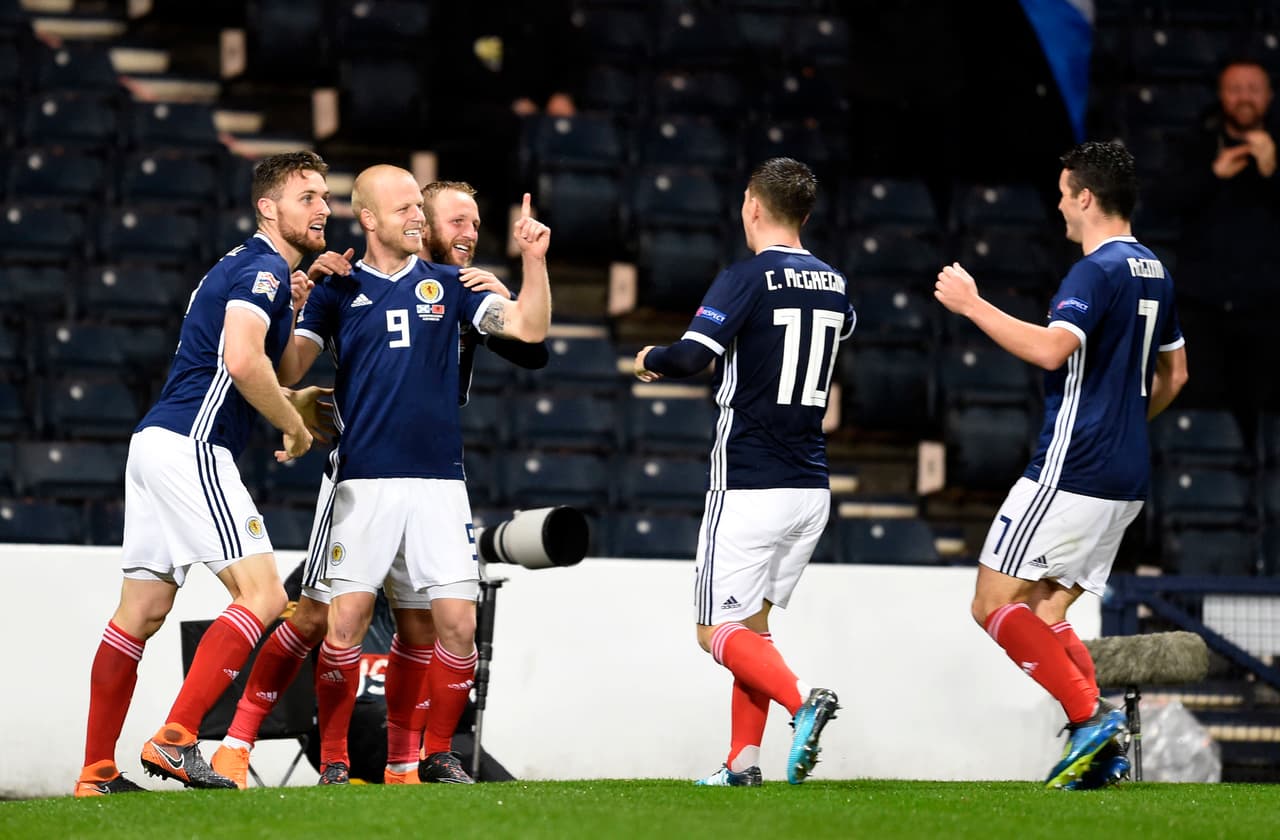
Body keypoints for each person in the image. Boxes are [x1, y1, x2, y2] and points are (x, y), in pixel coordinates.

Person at [210, 179, 546, 788]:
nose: (424, 220)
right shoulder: (338, 284)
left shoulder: (453, 286)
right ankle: (266, 745)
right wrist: (298, 298)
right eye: (412, 208)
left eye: (426, 210)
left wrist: (530, 263)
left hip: (437, 479)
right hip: (359, 475)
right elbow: (286, 369)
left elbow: (529, 335)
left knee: (432, 627)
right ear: (367, 217)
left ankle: (412, 761)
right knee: (322, 621)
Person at [75, 150, 332, 796]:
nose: (323, 207)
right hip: (193, 444)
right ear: (268, 208)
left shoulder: (255, 270)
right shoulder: (265, 267)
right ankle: (177, 738)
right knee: (266, 595)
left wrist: (297, 311)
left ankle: (96, 772)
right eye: (308, 197)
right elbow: (245, 364)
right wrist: (295, 426)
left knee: (143, 608)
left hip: (155, 443)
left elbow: (277, 368)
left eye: (326, 196)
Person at [933, 140, 1188, 789]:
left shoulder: (1096, 271)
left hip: (1074, 468)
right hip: (1126, 474)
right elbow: (1176, 374)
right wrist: (1128, 425)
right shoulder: (1155, 269)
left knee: (991, 602)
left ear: (1087, 197)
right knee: (1046, 611)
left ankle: (1090, 719)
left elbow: (1052, 351)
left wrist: (971, 303)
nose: (1058, 205)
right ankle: (1104, 751)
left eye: (1064, 192)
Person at [633, 157, 853, 787]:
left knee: (714, 631)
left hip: (749, 480)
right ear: (804, 215)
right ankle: (742, 763)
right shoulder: (836, 283)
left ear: (752, 206)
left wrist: (651, 356)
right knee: (752, 628)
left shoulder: (747, 277)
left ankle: (802, 698)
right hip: (810, 486)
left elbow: (692, 357)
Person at [1166, 57, 1279, 440]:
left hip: (1267, 308)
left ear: (1269, 96)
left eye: (1253, 89)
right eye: (1235, 89)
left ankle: (1258, 496)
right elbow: (1165, 205)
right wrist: (1213, 175)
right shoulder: (1195, 142)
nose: (1244, 97)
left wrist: (1271, 172)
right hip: (1202, 308)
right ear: (1220, 95)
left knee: (1262, 415)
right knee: (1199, 408)